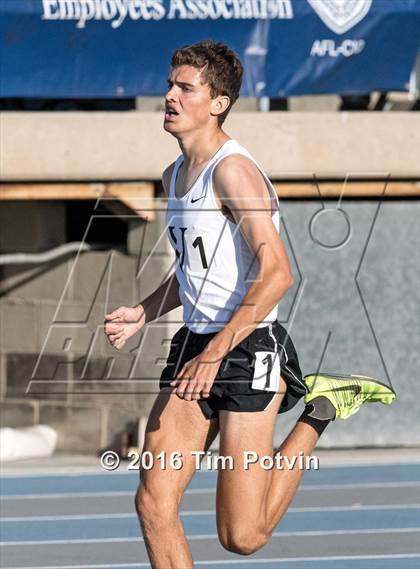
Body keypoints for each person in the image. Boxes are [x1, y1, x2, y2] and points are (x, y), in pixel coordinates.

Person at [104, 41, 396, 569]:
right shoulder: (175, 175)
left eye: (184, 88)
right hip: (195, 347)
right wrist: (146, 309)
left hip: (247, 351)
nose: (169, 95)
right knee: (153, 502)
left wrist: (216, 352)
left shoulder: (232, 172)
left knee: (242, 536)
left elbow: (278, 272)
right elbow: (197, 270)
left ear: (217, 102)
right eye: (171, 84)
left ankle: (321, 409)